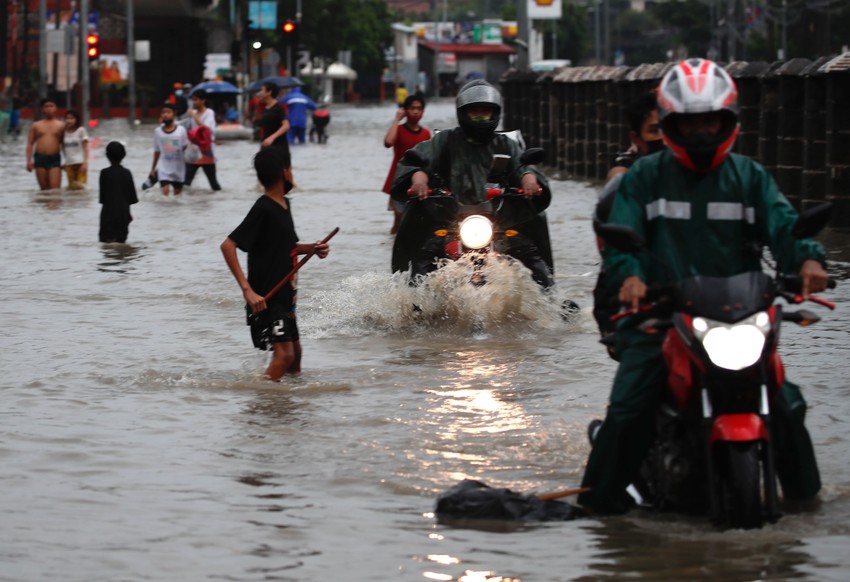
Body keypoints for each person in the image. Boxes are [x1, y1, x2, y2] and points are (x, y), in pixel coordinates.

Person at [578, 58, 829, 515]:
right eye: (689, 123)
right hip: (659, 318)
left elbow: (785, 227)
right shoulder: (643, 178)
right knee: (629, 409)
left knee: (788, 404)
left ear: (727, 120)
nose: (700, 132)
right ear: (671, 124)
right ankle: (595, 508)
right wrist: (630, 277)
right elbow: (620, 240)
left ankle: (808, 505)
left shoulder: (750, 177)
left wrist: (809, 259)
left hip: (741, 318)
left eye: (709, 121)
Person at [390, 80, 554, 288]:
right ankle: (410, 294)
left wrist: (529, 178)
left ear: (495, 114)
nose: (480, 117)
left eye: (485, 112)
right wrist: (419, 178)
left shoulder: (506, 144)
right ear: (462, 113)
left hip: (499, 222)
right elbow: (420, 161)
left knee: (532, 255)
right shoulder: (445, 140)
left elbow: (523, 166)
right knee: (424, 258)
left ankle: (549, 297)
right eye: (474, 111)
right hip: (449, 219)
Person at [220, 147, 331, 381]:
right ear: (285, 172)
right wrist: (248, 291)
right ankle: (263, 400)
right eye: (290, 168)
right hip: (267, 298)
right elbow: (228, 246)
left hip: (286, 296)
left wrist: (312, 248)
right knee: (284, 355)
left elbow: (286, 246)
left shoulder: (284, 205)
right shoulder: (264, 208)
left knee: (296, 355)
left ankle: (285, 399)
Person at [593, 91, 665, 355]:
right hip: (640, 294)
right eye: (655, 130)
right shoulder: (630, 181)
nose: (665, 138)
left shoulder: (730, 176)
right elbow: (616, 180)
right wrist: (630, 277)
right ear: (637, 138)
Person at [382, 94, 431, 235]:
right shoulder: (398, 129)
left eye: (419, 109)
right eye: (412, 108)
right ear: (405, 110)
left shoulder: (426, 134)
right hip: (399, 181)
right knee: (398, 222)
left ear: (422, 112)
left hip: (419, 182)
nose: (415, 111)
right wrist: (397, 119)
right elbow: (388, 142)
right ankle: (393, 243)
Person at [257, 81, 294, 190]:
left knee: (287, 178)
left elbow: (286, 125)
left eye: (262, 90)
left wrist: (272, 137)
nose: (260, 92)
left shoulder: (279, 107)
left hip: (280, 146)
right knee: (263, 174)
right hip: (266, 146)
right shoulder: (265, 108)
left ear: (269, 92)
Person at [99, 141, 138, 243]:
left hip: (107, 216)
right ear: (124, 155)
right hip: (123, 216)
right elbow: (131, 199)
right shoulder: (127, 173)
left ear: (107, 156)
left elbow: (103, 199)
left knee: (107, 246)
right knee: (121, 245)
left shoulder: (104, 173)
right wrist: (128, 214)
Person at [184, 89, 222, 191]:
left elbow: (207, 129)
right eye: (193, 100)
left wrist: (193, 116)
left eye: (196, 100)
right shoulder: (192, 113)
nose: (194, 102)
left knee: (214, 184)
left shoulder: (209, 113)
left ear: (203, 100)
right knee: (186, 182)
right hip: (194, 150)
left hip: (207, 151)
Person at [149, 103, 189, 196]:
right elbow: (157, 151)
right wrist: (153, 169)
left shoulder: (181, 130)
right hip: (164, 168)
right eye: (163, 112)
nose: (165, 114)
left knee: (178, 195)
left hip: (179, 168)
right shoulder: (158, 131)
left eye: (168, 112)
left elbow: (185, 148)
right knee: (165, 192)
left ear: (174, 114)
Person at [26, 98, 65, 190]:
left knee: (55, 190)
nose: (49, 108)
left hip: (55, 158)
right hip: (40, 158)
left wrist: (67, 160)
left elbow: (64, 144)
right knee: (44, 190)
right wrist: (29, 161)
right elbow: (30, 143)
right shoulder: (36, 125)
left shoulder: (61, 125)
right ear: (42, 109)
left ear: (55, 108)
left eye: (51, 106)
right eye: (46, 106)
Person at [62, 110, 89, 190]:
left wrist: (85, 163)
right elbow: (63, 148)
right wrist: (64, 162)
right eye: (67, 118)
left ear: (76, 120)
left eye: (72, 118)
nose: (69, 120)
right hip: (69, 164)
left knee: (81, 187)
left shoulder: (81, 130)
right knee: (72, 189)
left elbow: (86, 147)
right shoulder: (63, 132)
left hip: (80, 163)